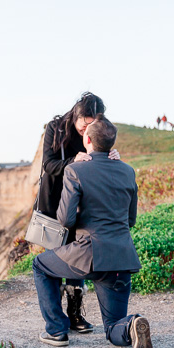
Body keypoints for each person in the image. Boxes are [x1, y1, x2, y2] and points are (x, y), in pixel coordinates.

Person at [32, 115, 152, 348]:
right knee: (112, 327)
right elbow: (131, 220)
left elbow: (65, 220)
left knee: (41, 266)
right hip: (121, 257)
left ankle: (56, 331)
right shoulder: (128, 171)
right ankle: (131, 326)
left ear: (87, 139)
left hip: (87, 254)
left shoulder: (76, 170)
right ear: (112, 142)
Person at [38, 92, 120, 334]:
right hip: (54, 205)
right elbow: (48, 165)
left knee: (76, 265)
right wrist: (73, 161)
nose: (87, 130)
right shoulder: (55, 128)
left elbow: (100, 159)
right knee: (51, 263)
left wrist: (110, 157)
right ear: (76, 114)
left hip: (80, 206)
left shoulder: (94, 132)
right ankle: (56, 323)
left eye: (92, 124)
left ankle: (75, 316)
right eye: (85, 123)